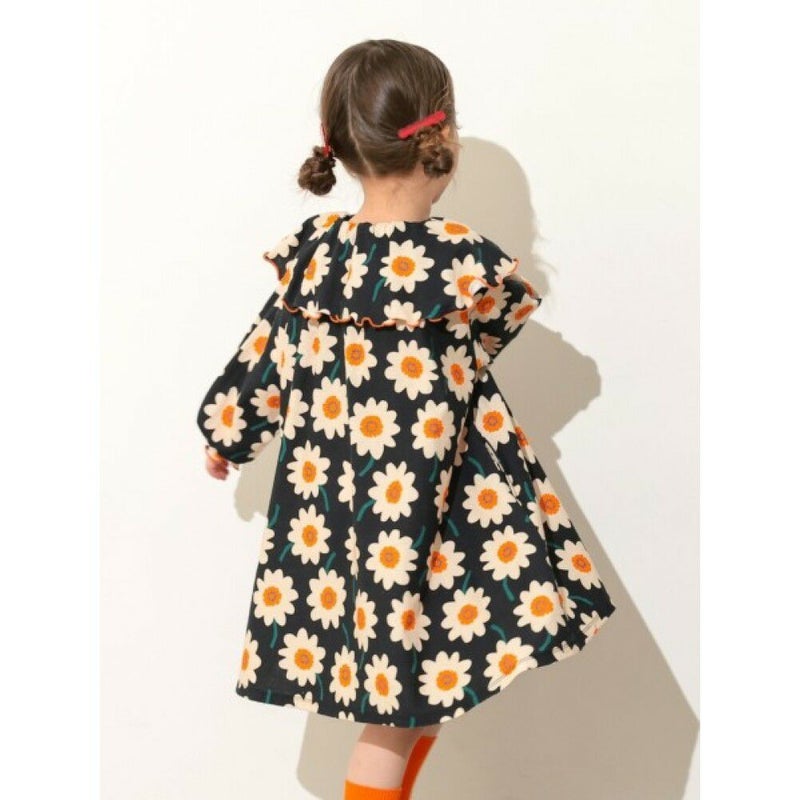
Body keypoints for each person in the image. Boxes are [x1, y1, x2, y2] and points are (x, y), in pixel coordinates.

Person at [196, 38, 617, 800]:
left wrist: (227, 433)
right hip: (428, 520)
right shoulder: (458, 261)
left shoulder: (317, 254)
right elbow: (501, 327)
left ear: (341, 145)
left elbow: (267, 356)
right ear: (440, 135)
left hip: (343, 521)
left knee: (419, 702)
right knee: (400, 713)